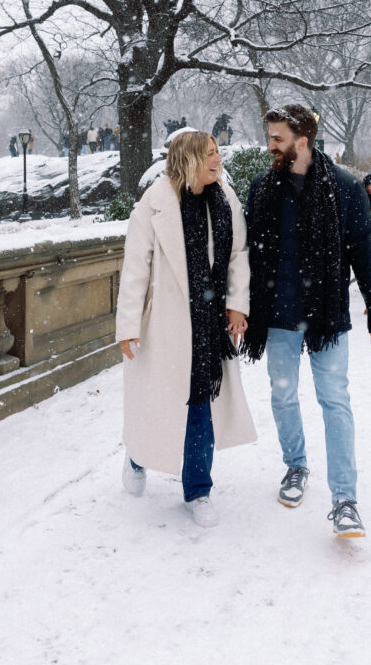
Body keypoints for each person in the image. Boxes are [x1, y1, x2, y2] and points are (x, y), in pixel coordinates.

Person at [244, 104, 371, 539]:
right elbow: (246, 256)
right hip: (277, 315)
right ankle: (296, 465)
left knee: (335, 403)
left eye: (277, 138)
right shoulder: (261, 188)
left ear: (301, 141)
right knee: (283, 398)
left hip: (327, 315)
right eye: (270, 137)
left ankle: (345, 499)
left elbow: (366, 254)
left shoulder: (344, 188)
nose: (270, 146)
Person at [115, 130, 256, 528]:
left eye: (217, 152)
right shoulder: (153, 204)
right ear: (189, 158)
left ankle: (198, 489)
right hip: (163, 325)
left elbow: (238, 255)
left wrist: (236, 305)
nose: (218, 159)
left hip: (208, 325)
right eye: (209, 154)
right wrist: (127, 325)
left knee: (200, 406)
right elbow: (135, 270)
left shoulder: (226, 199)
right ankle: (138, 457)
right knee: (155, 405)